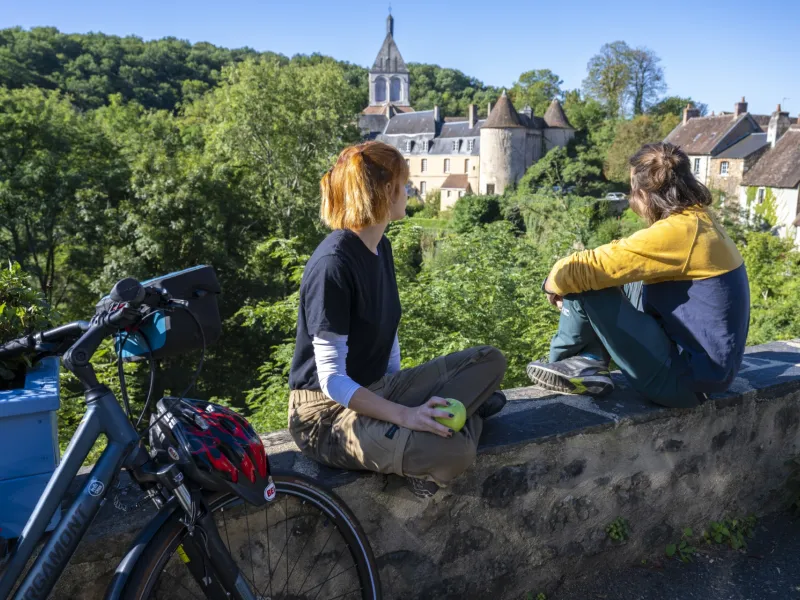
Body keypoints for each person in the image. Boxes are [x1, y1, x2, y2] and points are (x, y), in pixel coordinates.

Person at [288, 141, 507, 498]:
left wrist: (401, 394)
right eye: (404, 184)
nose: (409, 191)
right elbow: (331, 381)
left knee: (489, 360)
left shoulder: (380, 247)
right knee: (455, 454)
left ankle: (452, 418)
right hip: (326, 417)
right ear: (386, 191)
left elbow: (388, 333)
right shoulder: (334, 264)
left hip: (378, 389)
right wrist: (405, 416)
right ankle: (468, 415)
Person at [526, 142, 750, 408]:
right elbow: (620, 259)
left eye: (632, 190)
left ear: (644, 193)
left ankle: (571, 363)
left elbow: (582, 268)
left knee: (583, 277)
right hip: (704, 372)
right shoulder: (699, 221)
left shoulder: (679, 233)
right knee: (611, 274)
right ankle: (589, 360)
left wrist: (551, 285)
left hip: (683, 382)